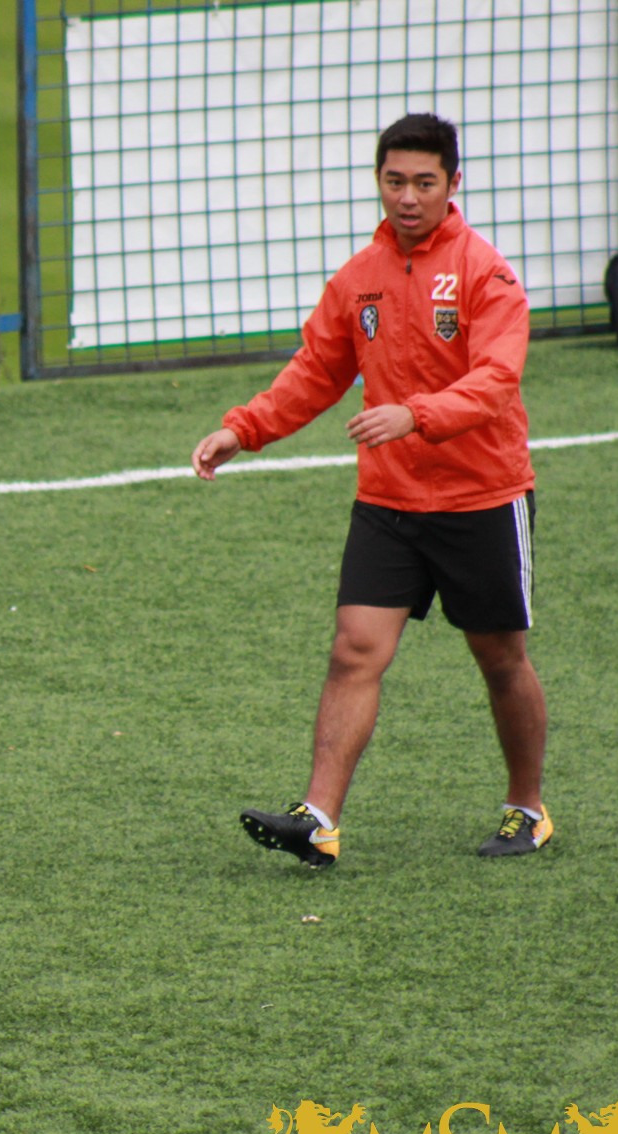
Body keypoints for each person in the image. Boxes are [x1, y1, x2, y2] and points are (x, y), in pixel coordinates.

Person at [191, 113, 551, 865]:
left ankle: (527, 808)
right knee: (354, 649)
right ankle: (319, 820)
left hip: (482, 498)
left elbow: (496, 380)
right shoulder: (359, 278)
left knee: (500, 659)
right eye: (394, 182)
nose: (408, 198)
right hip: (389, 501)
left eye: (424, 182)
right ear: (378, 182)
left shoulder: (486, 275)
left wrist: (415, 414)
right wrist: (243, 429)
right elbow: (316, 371)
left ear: (453, 183)